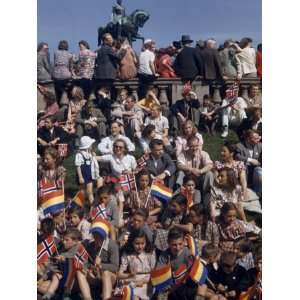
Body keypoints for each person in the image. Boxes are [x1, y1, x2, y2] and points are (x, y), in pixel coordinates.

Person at [41, 228, 82, 300]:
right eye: (63, 239)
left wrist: (64, 258)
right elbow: (53, 266)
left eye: (67, 240)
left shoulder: (79, 248)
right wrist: (44, 277)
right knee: (42, 285)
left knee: (57, 276)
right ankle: (51, 296)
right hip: (60, 279)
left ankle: (62, 295)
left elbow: (73, 259)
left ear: (75, 241)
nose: (63, 242)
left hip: (73, 281)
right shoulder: (62, 250)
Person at [81, 228, 119, 300]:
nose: (96, 238)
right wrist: (90, 269)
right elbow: (86, 263)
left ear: (104, 236)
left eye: (99, 236)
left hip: (110, 277)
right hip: (95, 276)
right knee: (81, 272)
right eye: (94, 235)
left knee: (106, 273)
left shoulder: (112, 245)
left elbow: (115, 267)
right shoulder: (90, 246)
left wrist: (101, 265)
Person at [118, 229, 156, 300]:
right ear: (132, 243)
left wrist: (143, 281)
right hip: (131, 280)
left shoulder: (150, 253)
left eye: (142, 243)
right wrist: (130, 275)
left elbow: (154, 273)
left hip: (146, 281)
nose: (140, 246)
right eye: (137, 244)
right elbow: (119, 275)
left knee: (134, 296)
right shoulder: (127, 253)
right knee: (129, 295)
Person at [75, 136, 103, 205]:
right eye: (91, 145)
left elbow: (93, 163)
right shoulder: (79, 155)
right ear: (87, 146)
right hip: (84, 175)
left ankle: (96, 201)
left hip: (90, 174)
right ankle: (91, 206)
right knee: (85, 191)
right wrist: (80, 177)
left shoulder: (89, 154)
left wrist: (93, 155)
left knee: (92, 189)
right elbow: (78, 166)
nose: (92, 146)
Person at [53, 40, 74, 105]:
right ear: (67, 46)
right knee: (70, 89)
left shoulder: (55, 53)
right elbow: (71, 67)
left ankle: (58, 105)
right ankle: (69, 103)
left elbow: (55, 63)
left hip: (56, 75)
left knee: (57, 91)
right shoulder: (70, 55)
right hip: (66, 75)